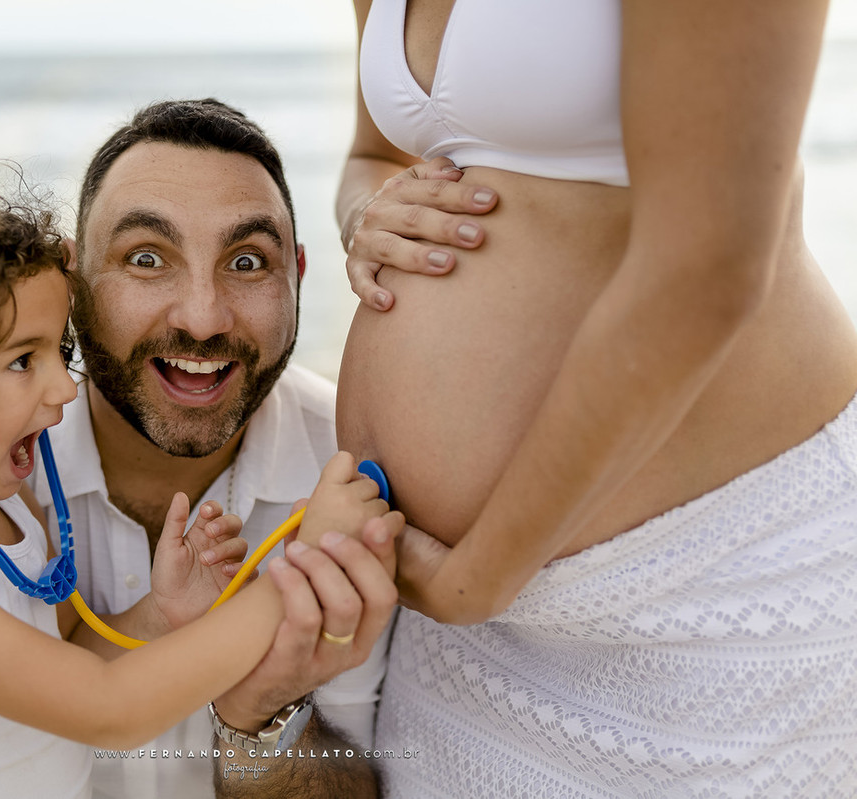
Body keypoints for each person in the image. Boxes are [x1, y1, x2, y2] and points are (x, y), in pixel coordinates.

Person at [0, 100, 490, 798]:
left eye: (246, 262)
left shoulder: (365, 468)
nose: (202, 318)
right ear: (76, 280)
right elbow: (102, 707)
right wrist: (299, 574)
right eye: (145, 257)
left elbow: (71, 653)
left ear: (298, 274)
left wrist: (174, 631)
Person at [330, 0, 857, 796]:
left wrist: (480, 575)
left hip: (699, 585)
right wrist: (366, 215)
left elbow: (710, 268)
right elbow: (376, 155)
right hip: (460, 618)